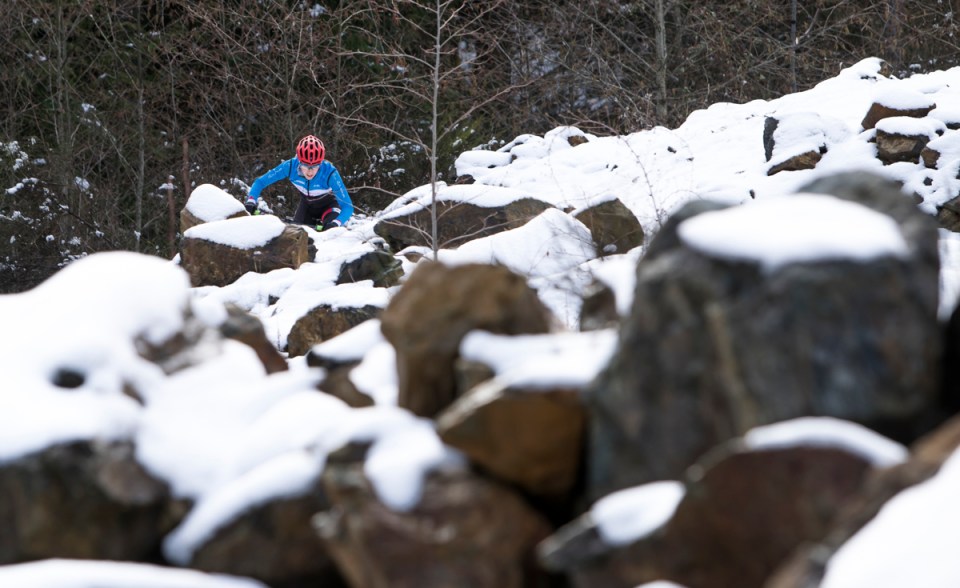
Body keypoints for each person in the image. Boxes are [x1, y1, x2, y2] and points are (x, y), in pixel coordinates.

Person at [246, 135, 353, 231]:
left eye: (315, 166)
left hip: (330, 207)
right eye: (305, 166)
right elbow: (260, 182)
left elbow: (348, 206)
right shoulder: (290, 166)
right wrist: (251, 200)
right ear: (299, 161)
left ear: (321, 162)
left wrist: (336, 223)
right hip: (307, 207)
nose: (310, 171)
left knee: (328, 234)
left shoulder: (330, 173)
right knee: (294, 237)